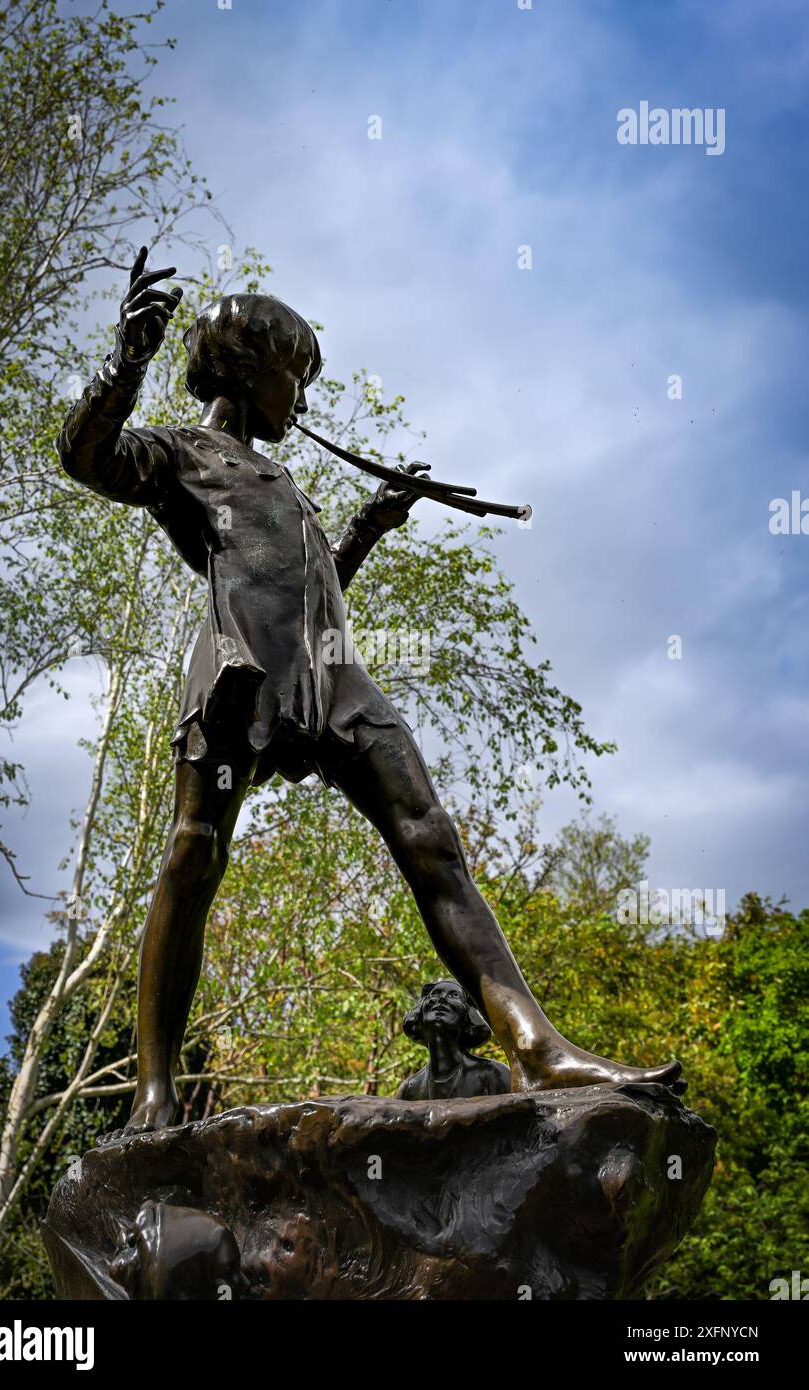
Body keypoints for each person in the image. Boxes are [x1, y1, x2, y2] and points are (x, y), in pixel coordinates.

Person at [58, 248, 683, 1136]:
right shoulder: (183, 453)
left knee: (431, 838)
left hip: (331, 675)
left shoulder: (281, 479)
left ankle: (535, 1046)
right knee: (192, 857)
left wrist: (368, 525)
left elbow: (313, 591)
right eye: (296, 377)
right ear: (246, 367)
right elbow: (88, 458)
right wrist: (127, 364)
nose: (304, 401)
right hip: (242, 672)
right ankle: (152, 1090)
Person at [396, 979, 512, 1099]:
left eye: (454, 995)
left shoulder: (493, 1074)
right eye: (435, 994)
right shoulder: (409, 1089)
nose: (442, 999)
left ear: (467, 1016)